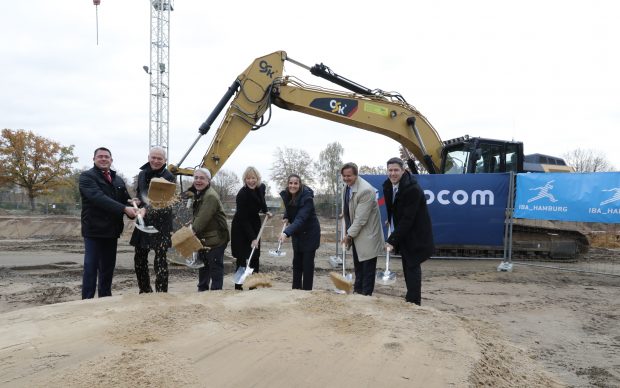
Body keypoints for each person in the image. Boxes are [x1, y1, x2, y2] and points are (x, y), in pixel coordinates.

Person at [79, 147, 139, 299]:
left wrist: (135, 205)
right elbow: (98, 198)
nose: (103, 159)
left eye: (106, 157)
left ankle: (105, 298)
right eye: (100, 156)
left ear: (111, 160)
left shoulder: (117, 179)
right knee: (91, 267)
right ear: (94, 159)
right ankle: (87, 300)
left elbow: (125, 199)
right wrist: (125, 208)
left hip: (112, 231)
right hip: (93, 230)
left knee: (107, 268)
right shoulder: (87, 177)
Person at [382, 157, 434, 305]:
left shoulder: (413, 189)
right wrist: (391, 220)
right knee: (407, 264)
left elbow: (408, 219)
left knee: (412, 265)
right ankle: (410, 298)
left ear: (403, 170)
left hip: (416, 233)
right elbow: (394, 207)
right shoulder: (388, 185)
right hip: (404, 231)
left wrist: (392, 240)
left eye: (396, 170)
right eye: (390, 170)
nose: (393, 173)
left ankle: (414, 301)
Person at [129, 146, 174, 294]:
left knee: (160, 260)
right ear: (148, 157)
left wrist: (146, 209)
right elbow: (142, 195)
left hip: (161, 223)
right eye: (153, 157)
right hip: (144, 222)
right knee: (139, 258)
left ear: (165, 160)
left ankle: (161, 293)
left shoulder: (168, 177)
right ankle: (145, 290)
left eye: (159, 158)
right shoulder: (142, 174)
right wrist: (139, 202)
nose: (155, 161)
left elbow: (162, 201)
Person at [340, 162, 384, 296]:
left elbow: (361, 219)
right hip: (356, 234)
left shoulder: (365, 190)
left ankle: (365, 296)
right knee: (358, 266)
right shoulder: (347, 187)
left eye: (349, 176)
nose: (346, 178)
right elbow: (349, 206)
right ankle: (357, 292)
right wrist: (345, 213)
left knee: (367, 268)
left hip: (368, 235)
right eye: (344, 176)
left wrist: (348, 235)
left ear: (356, 175)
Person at [186, 167, 230, 291]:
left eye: (202, 178)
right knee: (203, 266)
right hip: (206, 238)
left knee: (215, 268)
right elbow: (198, 216)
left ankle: (215, 294)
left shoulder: (210, 196)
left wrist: (188, 235)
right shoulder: (200, 194)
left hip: (216, 239)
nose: (198, 181)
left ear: (208, 180)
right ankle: (202, 291)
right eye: (196, 178)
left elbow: (202, 220)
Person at [231, 166, 271, 290]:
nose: (251, 181)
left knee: (255, 256)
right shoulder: (242, 194)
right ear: (245, 179)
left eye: (253, 178)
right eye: (248, 178)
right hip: (241, 227)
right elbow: (243, 219)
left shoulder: (261, 188)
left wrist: (266, 211)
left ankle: (253, 287)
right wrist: (253, 238)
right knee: (242, 258)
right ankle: (238, 287)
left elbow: (262, 201)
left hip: (254, 223)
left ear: (257, 178)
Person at [278, 174, 321, 290]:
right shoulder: (287, 194)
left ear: (300, 184)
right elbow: (290, 208)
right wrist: (286, 216)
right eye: (290, 183)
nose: (293, 185)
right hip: (298, 234)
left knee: (307, 266)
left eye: (295, 183)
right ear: (288, 184)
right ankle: (295, 291)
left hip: (310, 234)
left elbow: (300, 218)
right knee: (296, 264)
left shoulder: (307, 198)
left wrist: (286, 232)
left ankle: (306, 293)